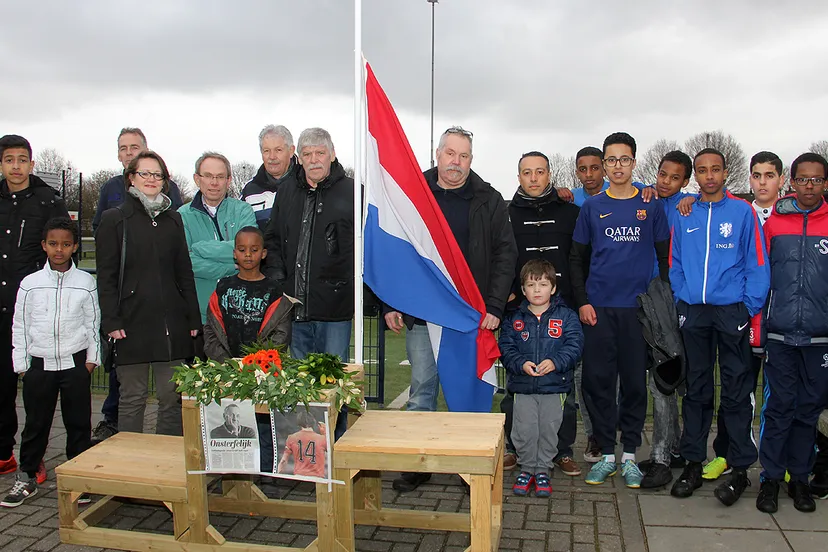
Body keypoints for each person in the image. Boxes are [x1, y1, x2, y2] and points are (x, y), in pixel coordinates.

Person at [384, 126, 517, 492]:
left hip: (469, 315)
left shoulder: (489, 199)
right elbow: (395, 248)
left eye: (463, 156)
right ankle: (417, 462)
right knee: (422, 388)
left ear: (471, 160)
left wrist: (494, 306)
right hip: (422, 311)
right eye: (450, 154)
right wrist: (390, 302)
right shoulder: (412, 191)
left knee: (468, 390)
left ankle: (468, 464)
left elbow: (506, 254)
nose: (455, 162)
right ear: (437, 153)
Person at [669, 148, 770, 506]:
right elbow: (675, 261)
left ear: (726, 173)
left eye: (715, 170)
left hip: (732, 312)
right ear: (695, 175)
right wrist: (684, 295)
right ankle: (693, 462)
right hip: (695, 312)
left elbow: (758, 263)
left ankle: (740, 467)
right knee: (696, 390)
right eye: (702, 170)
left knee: (736, 389)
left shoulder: (742, 213)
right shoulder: (685, 213)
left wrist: (748, 307)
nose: (709, 176)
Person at [569, 132, 670, 488]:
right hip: (599, 311)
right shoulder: (592, 207)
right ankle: (606, 453)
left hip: (636, 312)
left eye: (624, 159)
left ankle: (629, 454)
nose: (617, 166)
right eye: (610, 160)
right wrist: (582, 300)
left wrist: (661, 304)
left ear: (634, 163)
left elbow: (663, 257)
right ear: (605, 163)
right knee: (597, 382)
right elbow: (576, 260)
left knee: (633, 384)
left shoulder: (650, 205)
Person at [96, 150, 201, 436]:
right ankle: (132, 463)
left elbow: (184, 272)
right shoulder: (114, 219)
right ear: (131, 178)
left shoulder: (173, 220)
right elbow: (105, 276)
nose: (152, 179)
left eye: (158, 174)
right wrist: (112, 321)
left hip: (173, 323)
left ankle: (167, 460)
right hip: (131, 321)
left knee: (172, 397)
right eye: (145, 173)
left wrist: (192, 318)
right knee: (133, 397)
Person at [264, 128, 355, 440]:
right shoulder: (287, 191)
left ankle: (336, 443)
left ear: (331, 154)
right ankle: (306, 447)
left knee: (332, 382)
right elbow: (273, 239)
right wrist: (279, 281)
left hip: (334, 308)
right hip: (295, 306)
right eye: (307, 155)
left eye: (320, 153)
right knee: (300, 382)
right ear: (298, 158)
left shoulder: (352, 192)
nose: (314, 160)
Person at [0, 218, 98, 508]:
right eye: (53, 244)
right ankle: (27, 476)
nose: (59, 250)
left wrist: (91, 361)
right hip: (39, 367)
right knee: (36, 423)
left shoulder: (85, 282)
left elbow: (93, 323)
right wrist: (22, 364)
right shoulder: (30, 284)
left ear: (75, 247)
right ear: (44, 245)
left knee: (78, 423)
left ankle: (79, 478)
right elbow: (19, 325)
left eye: (66, 244)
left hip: (75, 365)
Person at [703, 151, 785, 482]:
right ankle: (726, 453)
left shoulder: (792, 216)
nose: (762, 182)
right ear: (748, 178)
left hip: (782, 322)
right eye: (756, 175)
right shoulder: (737, 212)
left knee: (781, 397)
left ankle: (778, 461)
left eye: (769, 175)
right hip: (743, 319)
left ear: (781, 179)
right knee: (736, 390)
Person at [501, 151, 582, 476]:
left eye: (539, 172)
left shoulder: (570, 212)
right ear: (518, 177)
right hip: (519, 314)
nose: (533, 178)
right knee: (516, 390)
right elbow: (502, 259)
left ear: (550, 175)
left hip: (560, 314)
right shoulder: (505, 214)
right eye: (526, 172)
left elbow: (578, 260)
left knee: (565, 390)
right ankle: (514, 448)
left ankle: (561, 450)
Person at [755, 153, 828, 514]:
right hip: (781, 334)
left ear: (825, 183)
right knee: (779, 407)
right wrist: (761, 327)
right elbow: (761, 277)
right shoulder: (775, 223)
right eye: (803, 179)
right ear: (792, 182)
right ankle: (770, 478)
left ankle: (800, 478)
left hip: (820, 337)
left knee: (808, 410)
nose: (809, 186)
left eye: (816, 180)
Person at [0, 135, 69, 477]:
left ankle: (34, 456)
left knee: (37, 390)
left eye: (22, 159)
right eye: (9, 159)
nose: (16, 166)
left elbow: (61, 249)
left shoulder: (47, 202)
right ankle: (4, 452)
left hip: (33, 310)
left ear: (31, 163)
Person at [203, 226, 295, 471]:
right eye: (242, 250)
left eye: (254, 250)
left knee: (263, 423)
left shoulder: (274, 290)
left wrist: (256, 365)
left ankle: (266, 473)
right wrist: (228, 363)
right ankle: (236, 474)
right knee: (235, 424)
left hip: (261, 374)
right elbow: (211, 331)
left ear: (263, 253)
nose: (248, 255)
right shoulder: (223, 287)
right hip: (228, 371)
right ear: (234, 253)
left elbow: (281, 335)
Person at [499, 259, 583, 497]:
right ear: (523, 290)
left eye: (543, 284)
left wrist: (556, 362)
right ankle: (527, 469)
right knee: (524, 430)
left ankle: (543, 469)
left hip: (554, 388)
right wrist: (520, 364)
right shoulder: (514, 319)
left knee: (548, 429)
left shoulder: (566, 317)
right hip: (523, 387)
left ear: (553, 288)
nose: (537, 290)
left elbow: (575, 345)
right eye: (531, 285)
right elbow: (506, 347)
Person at [638, 150, 693, 489]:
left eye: (675, 177)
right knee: (663, 377)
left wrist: (690, 199)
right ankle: (667, 450)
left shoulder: (688, 206)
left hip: (675, 300)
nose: (666, 181)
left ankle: (668, 454)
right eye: (662, 174)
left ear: (685, 181)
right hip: (649, 298)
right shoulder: (648, 197)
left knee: (671, 377)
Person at [179, 152, 257, 323]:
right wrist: (233, 266)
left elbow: (249, 251)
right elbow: (185, 263)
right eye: (208, 176)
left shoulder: (243, 210)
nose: (214, 182)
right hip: (201, 315)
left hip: (242, 313)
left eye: (220, 177)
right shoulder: (181, 217)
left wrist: (199, 248)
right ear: (197, 179)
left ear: (229, 180)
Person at [242, 125, 298, 231]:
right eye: (266, 151)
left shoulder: (309, 185)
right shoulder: (249, 191)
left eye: (278, 150)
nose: (272, 157)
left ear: (291, 151)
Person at [278, 410, 328, 478]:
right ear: (313, 422)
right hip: (318, 478)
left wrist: (278, 474)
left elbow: (283, 460)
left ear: (299, 422)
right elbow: (331, 452)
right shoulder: (322, 439)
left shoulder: (291, 438)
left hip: (299, 477)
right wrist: (325, 432)